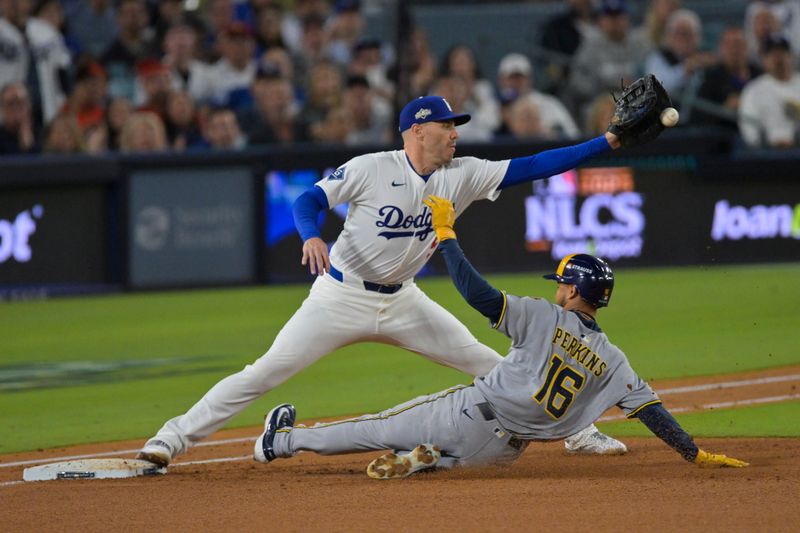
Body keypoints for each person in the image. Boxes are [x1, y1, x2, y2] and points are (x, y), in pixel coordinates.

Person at [137, 93, 658, 467]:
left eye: (456, 125)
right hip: (340, 295)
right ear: (416, 131)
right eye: (446, 126)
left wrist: (607, 141)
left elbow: (536, 165)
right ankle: (171, 438)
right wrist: (309, 234)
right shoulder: (370, 167)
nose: (455, 132)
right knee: (263, 372)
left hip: (405, 301)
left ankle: (579, 433)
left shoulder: (463, 174)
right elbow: (308, 200)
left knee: (488, 361)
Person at [252, 197, 750, 478]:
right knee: (450, 461)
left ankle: (281, 442)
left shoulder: (540, 317)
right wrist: (692, 452)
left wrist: (446, 237)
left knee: (375, 426)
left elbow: (476, 294)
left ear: (574, 290)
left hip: (471, 413)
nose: (557, 288)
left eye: (562, 283)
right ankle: (426, 461)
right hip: (505, 454)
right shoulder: (613, 360)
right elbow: (649, 412)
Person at [739, 33, 800, 148]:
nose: (778, 58)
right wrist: (767, 143)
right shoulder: (753, 90)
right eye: (772, 54)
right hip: (768, 154)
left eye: (782, 52)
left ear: (791, 56)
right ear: (763, 59)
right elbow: (749, 128)